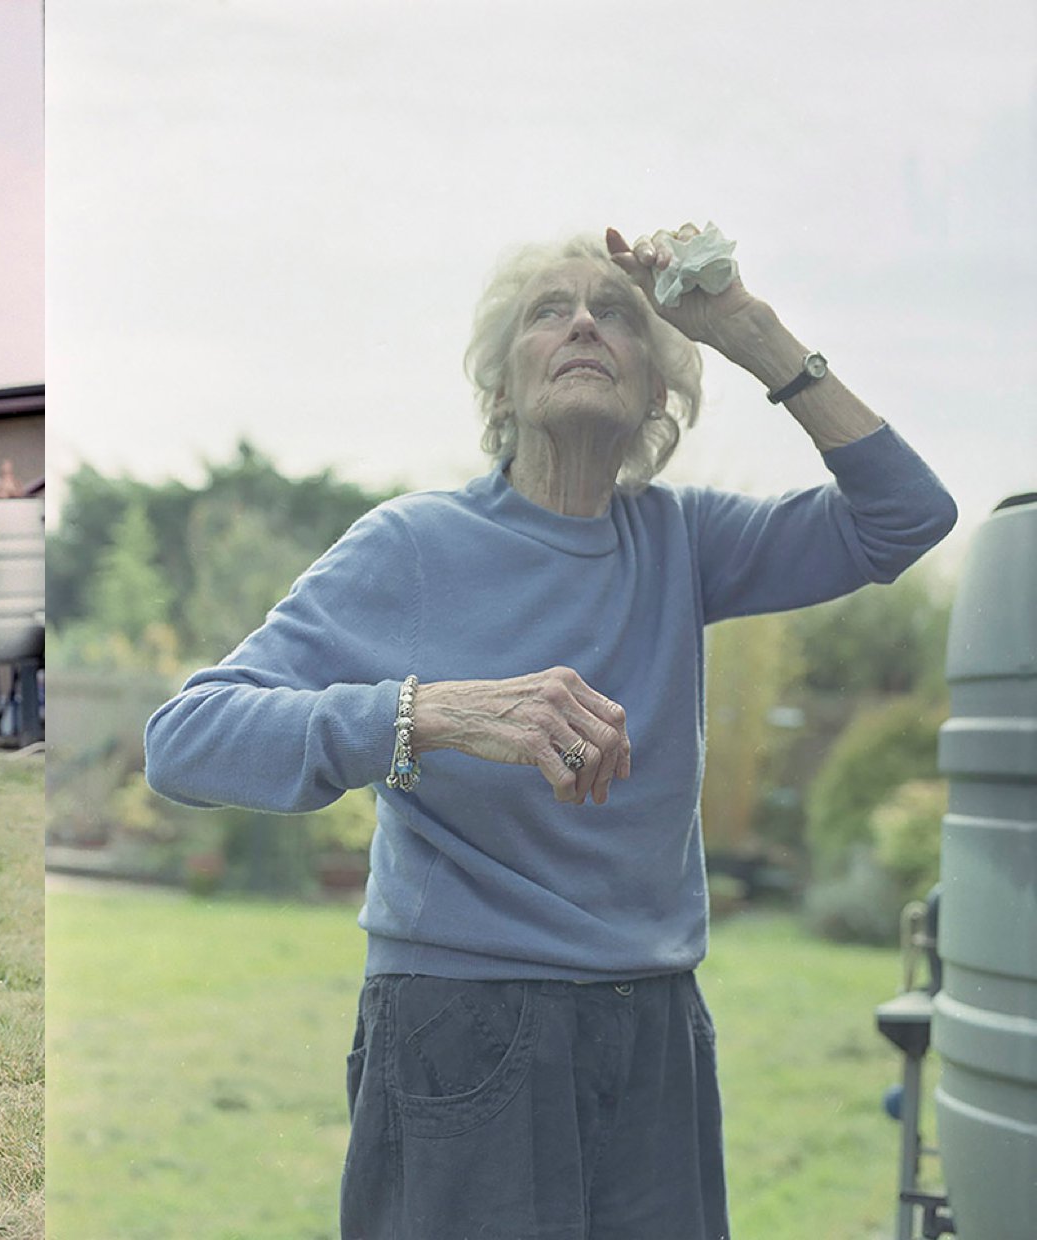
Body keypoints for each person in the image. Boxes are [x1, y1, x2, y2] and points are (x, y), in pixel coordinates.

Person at [143, 224, 957, 1239]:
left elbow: (908, 515)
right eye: (549, 311)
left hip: (656, 1023)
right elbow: (184, 738)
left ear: (659, 391)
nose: (583, 322)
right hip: (464, 1022)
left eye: (617, 312)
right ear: (502, 390)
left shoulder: (684, 540)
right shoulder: (413, 545)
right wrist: (426, 712)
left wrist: (748, 330)